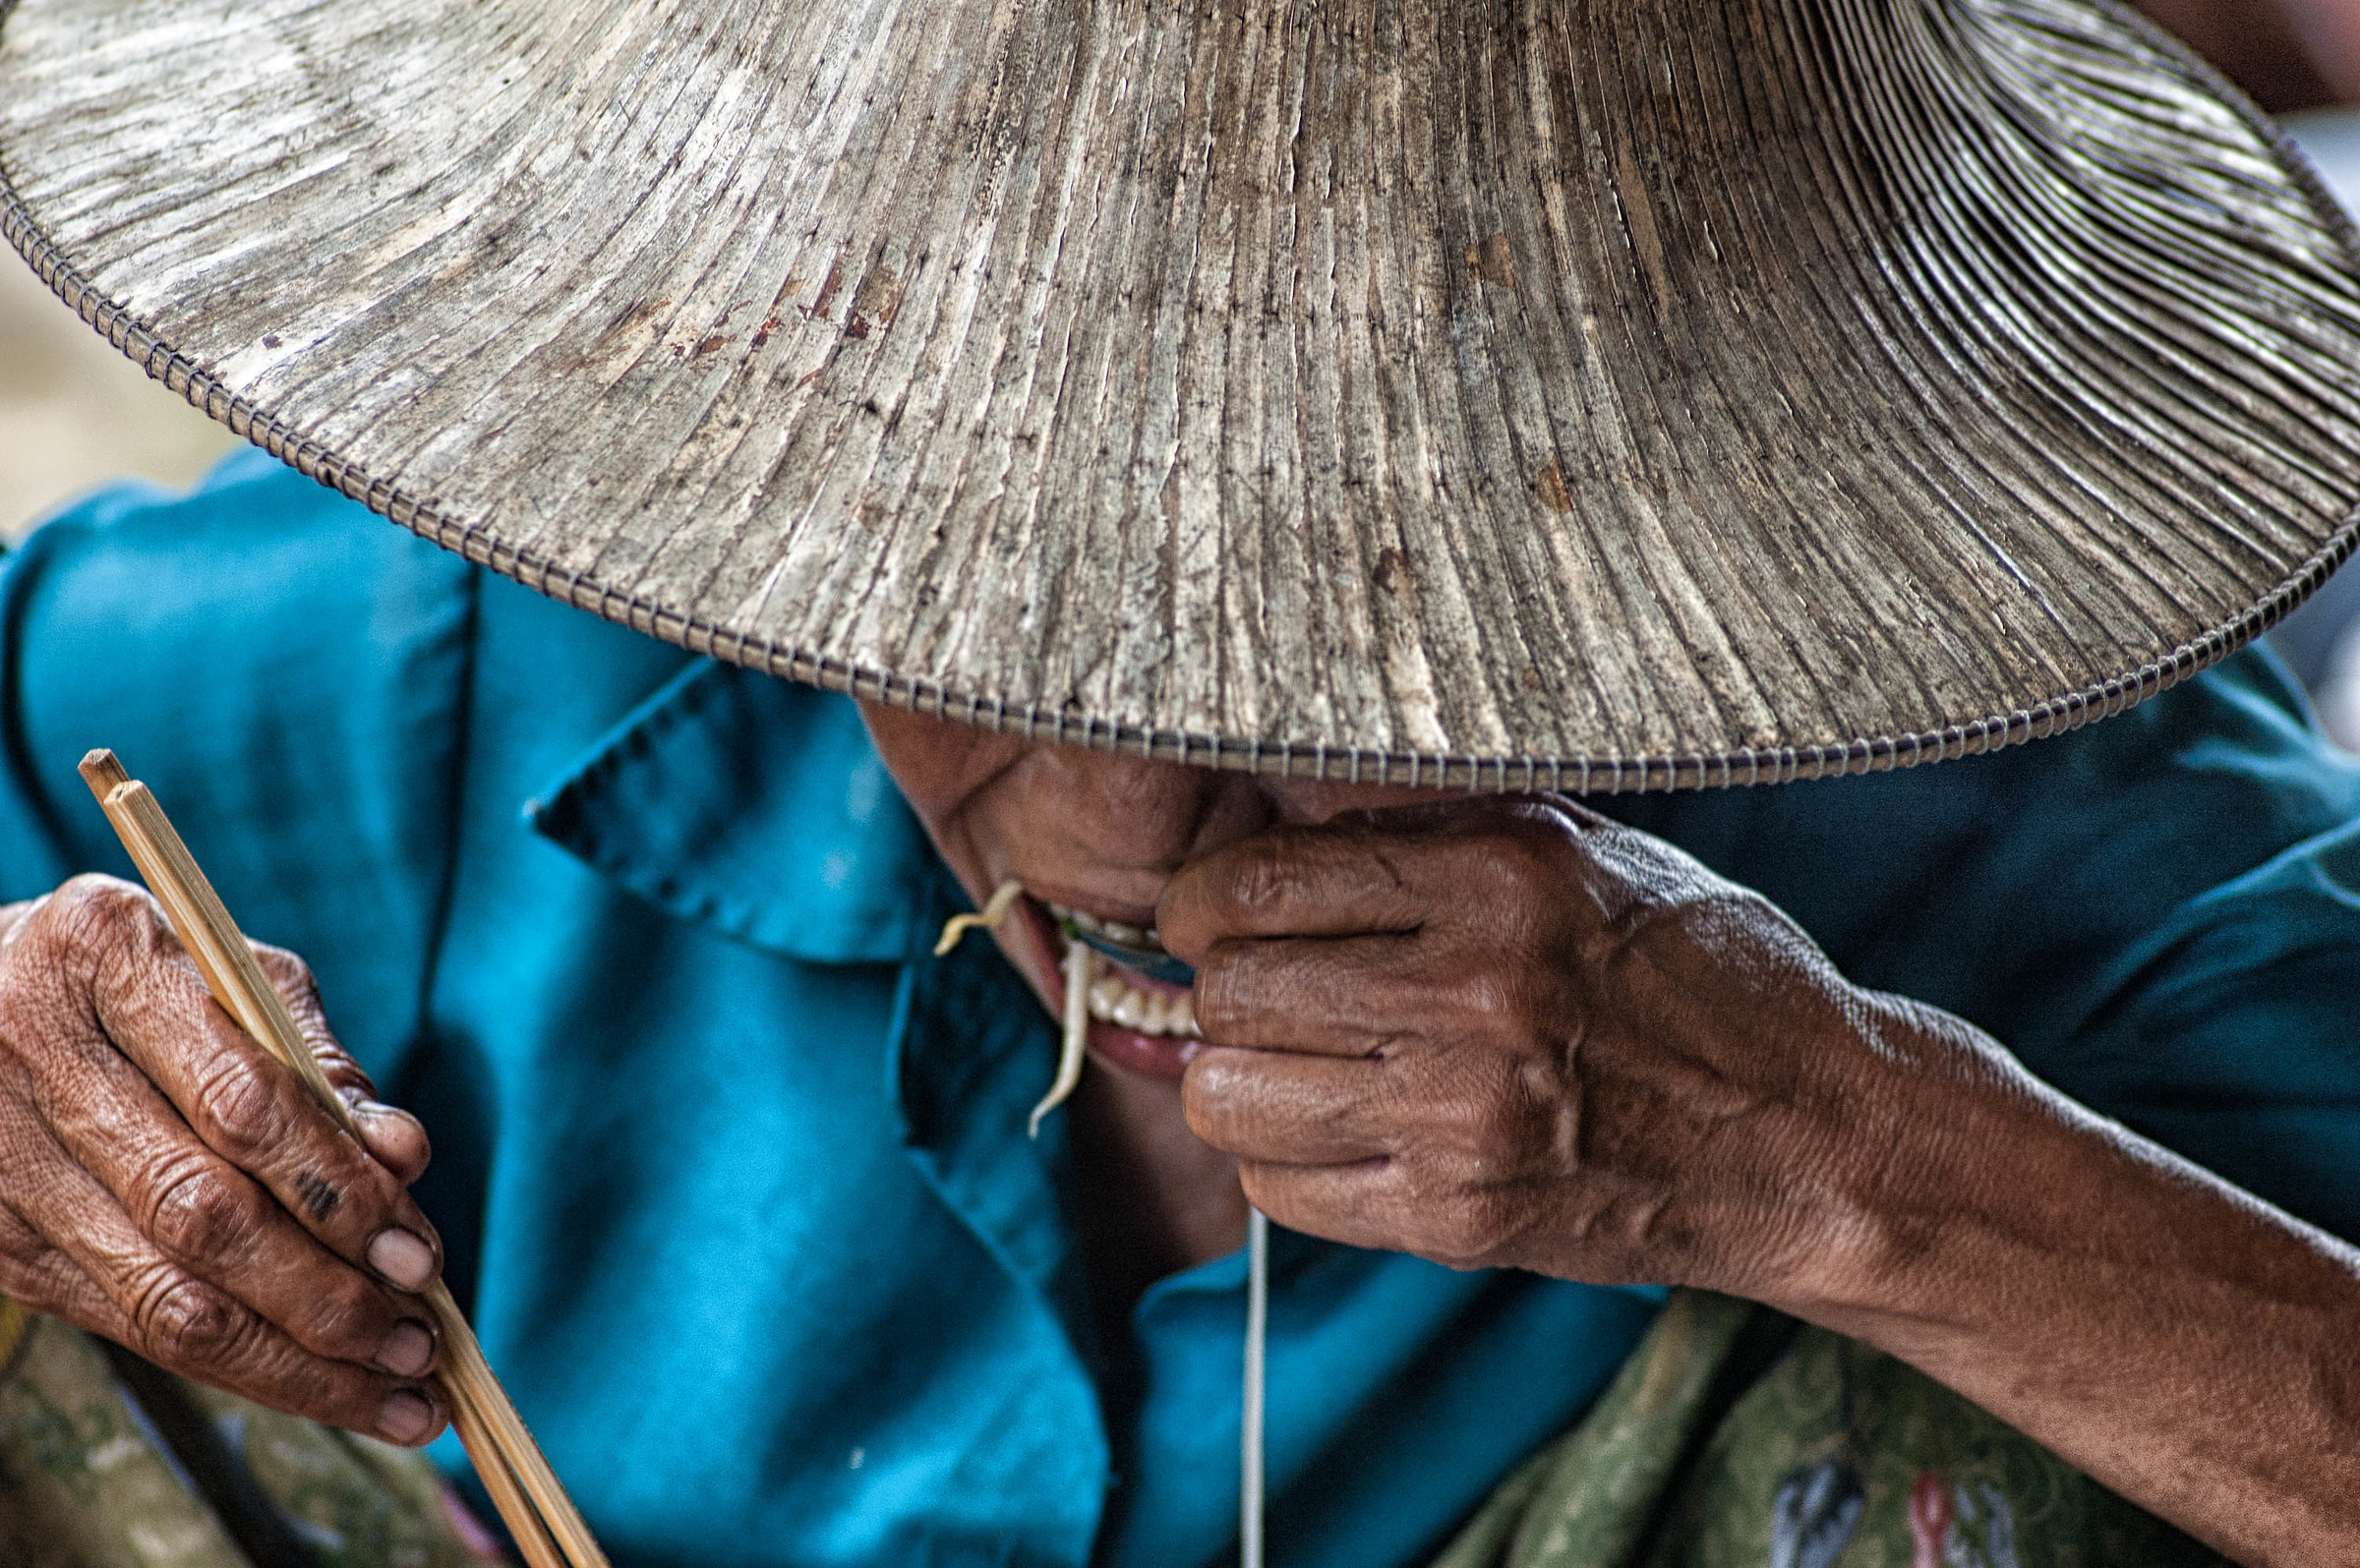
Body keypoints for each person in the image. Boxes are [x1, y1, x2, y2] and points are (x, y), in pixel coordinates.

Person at [3, 0, 2360, 1564]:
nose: (1129, 835)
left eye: (1339, 655)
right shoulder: (405, 665)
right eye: (978, 644)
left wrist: (1854, 1163)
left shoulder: (2033, 841)